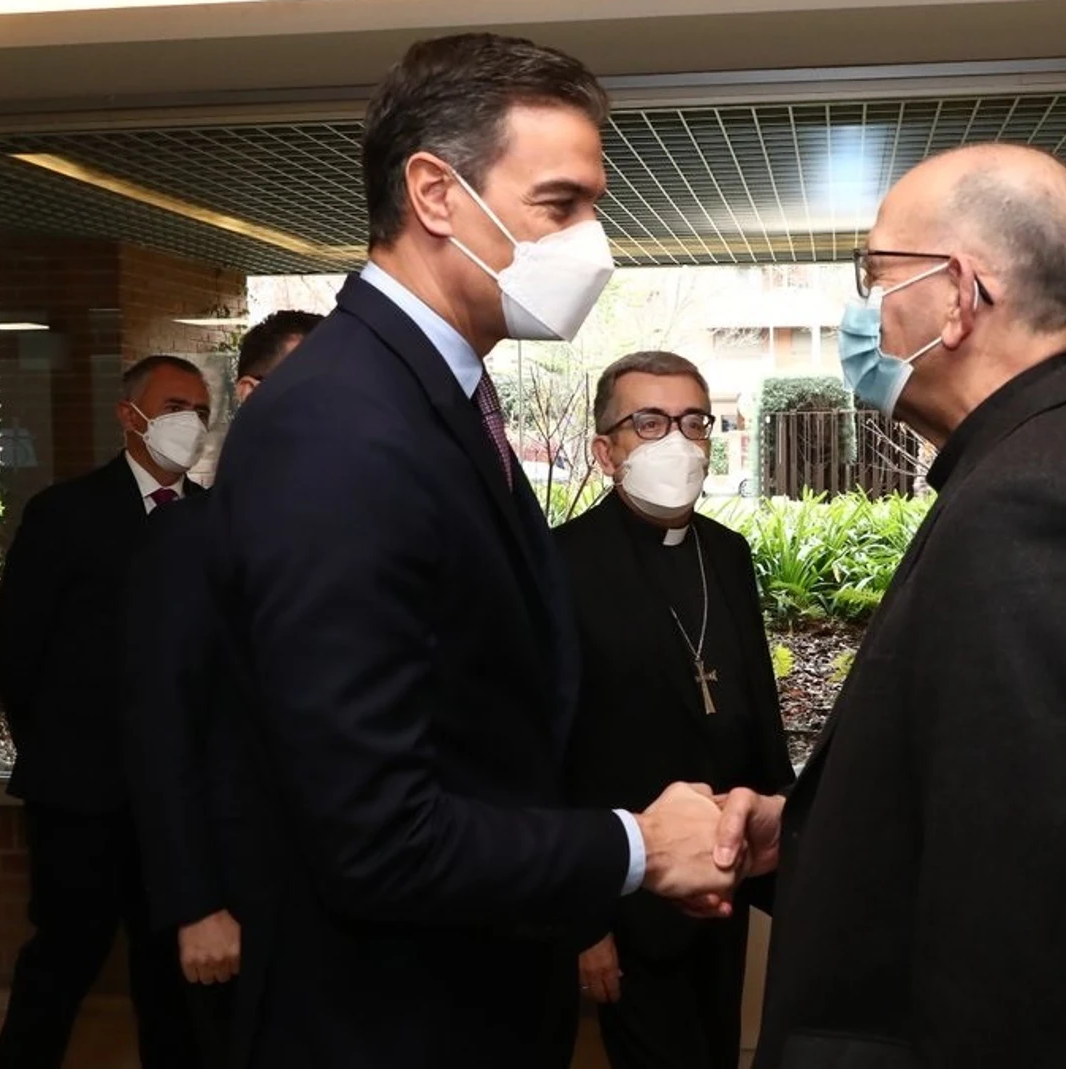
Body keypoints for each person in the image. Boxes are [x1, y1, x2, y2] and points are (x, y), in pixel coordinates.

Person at [202, 33, 739, 1069]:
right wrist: (632, 847)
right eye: (559, 204)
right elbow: (374, 831)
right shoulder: (341, 428)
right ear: (435, 193)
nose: (593, 241)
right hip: (383, 1020)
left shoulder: (426, 398)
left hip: (467, 995)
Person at [717, 144, 1066, 1068]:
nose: (862, 309)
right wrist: (806, 833)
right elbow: (989, 802)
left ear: (958, 295)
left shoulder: (1035, 507)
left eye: (875, 273)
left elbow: (1024, 937)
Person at [558, 350, 795, 1069]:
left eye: (694, 421)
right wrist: (583, 921)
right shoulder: (560, 564)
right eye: (649, 421)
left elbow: (756, 706)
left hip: (726, 881)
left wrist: (789, 850)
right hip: (629, 897)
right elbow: (552, 758)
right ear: (606, 450)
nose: (676, 440)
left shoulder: (726, 551)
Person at [0, 354, 213, 1069]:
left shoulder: (216, 519)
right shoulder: (65, 514)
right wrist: (61, 752)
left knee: (173, 977)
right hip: (79, 797)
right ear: (130, 415)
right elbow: (17, 653)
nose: (192, 422)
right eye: (177, 404)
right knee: (61, 959)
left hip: (178, 807)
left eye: (203, 410)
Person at [122, 311, 321, 1069]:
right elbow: (160, 734)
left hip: (341, 900)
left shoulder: (358, 530)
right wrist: (196, 904)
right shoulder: (185, 543)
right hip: (236, 900)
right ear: (251, 393)